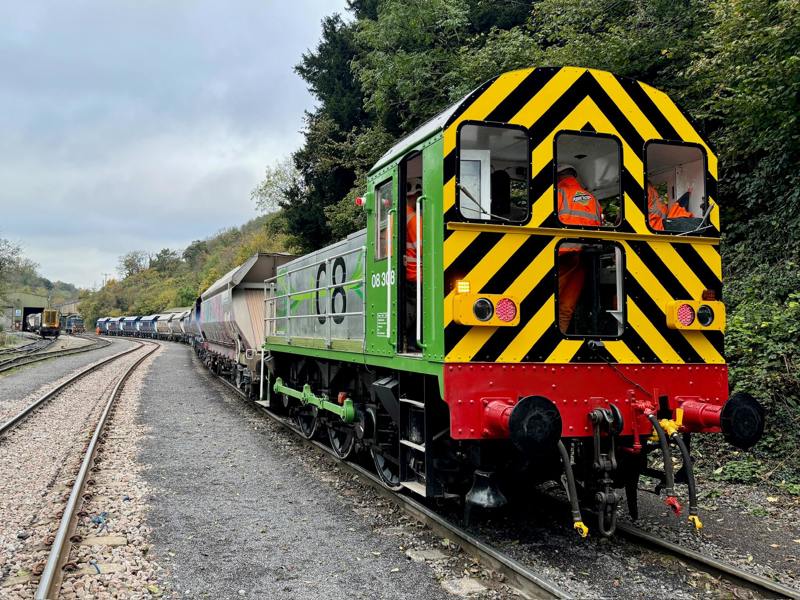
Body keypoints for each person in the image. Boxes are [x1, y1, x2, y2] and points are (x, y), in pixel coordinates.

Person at [556, 164, 603, 333]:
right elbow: (600, 227)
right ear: (574, 177)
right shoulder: (592, 199)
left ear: (558, 176)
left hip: (559, 256)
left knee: (546, 301)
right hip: (583, 258)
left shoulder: (557, 193)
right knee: (566, 307)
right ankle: (559, 337)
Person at [405, 182, 422, 351]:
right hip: (416, 271)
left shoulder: (400, 216)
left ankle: (410, 342)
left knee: (413, 310)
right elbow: (422, 248)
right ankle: (413, 343)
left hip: (408, 271)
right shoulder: (414, 219)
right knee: (420, 310)